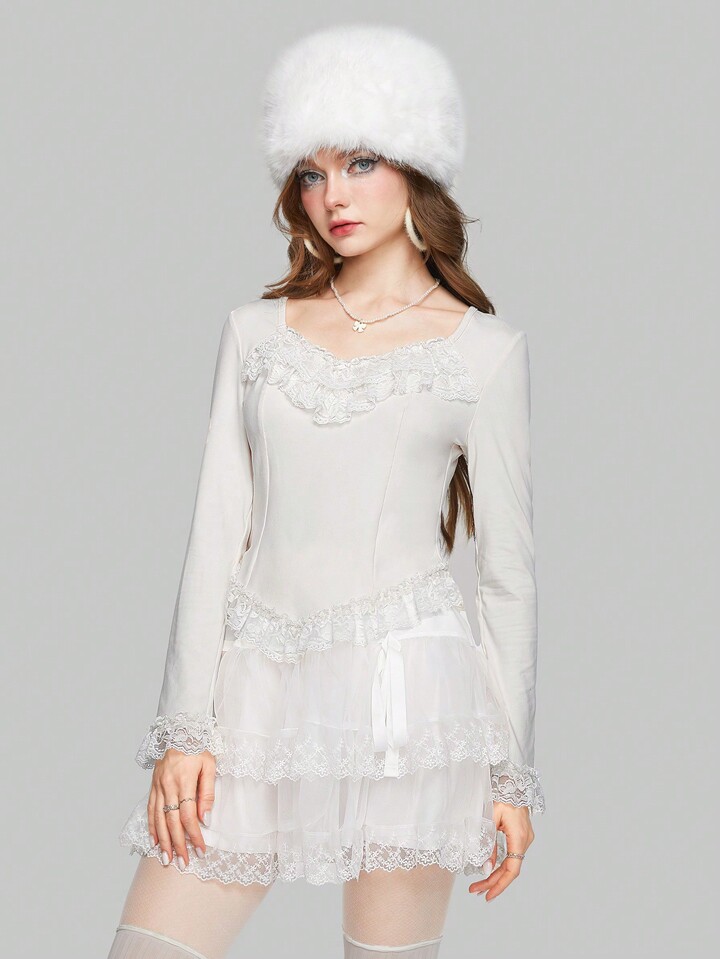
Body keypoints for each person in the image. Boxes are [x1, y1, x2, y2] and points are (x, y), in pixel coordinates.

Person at [107, 22, 546, 959]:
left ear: (416, 166)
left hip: (408, 703)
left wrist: (509, 772)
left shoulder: (486, 351)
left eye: (359, 162)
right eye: (310, 173)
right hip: (250, 690)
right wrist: (185, 724)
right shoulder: (255, 333)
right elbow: (214, 534)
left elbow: (508, 579)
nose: (332, 195)